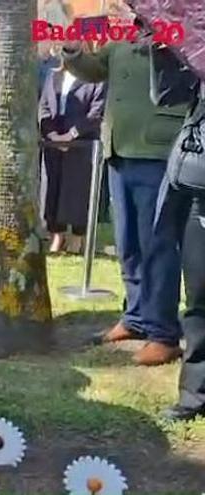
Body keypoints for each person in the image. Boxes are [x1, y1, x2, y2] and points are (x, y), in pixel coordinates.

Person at [62, 17, 189, 365]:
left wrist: (163, 43)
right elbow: (94, 68)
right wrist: (74, 50)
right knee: (128, 243)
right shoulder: (123, 35)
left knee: (157, 245)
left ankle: (163, 334)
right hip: (118, 150)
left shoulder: (182, 31)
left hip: (158, 150)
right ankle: (135, 318)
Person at [148, 43, 205, 420]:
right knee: (200, 299)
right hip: (200, 191)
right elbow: (167, 94)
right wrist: (164, 49)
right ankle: (195, 395)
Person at [39, 57, 106, 253]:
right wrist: (51, 134)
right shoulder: (53, 76)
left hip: (81, 144)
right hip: (53, 143)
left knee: (78, 192)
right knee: (52, 190)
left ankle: (77, 238)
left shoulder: (97, 79)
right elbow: (43, 106)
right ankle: (56, 236)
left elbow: (95, 114)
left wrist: (71, 136)